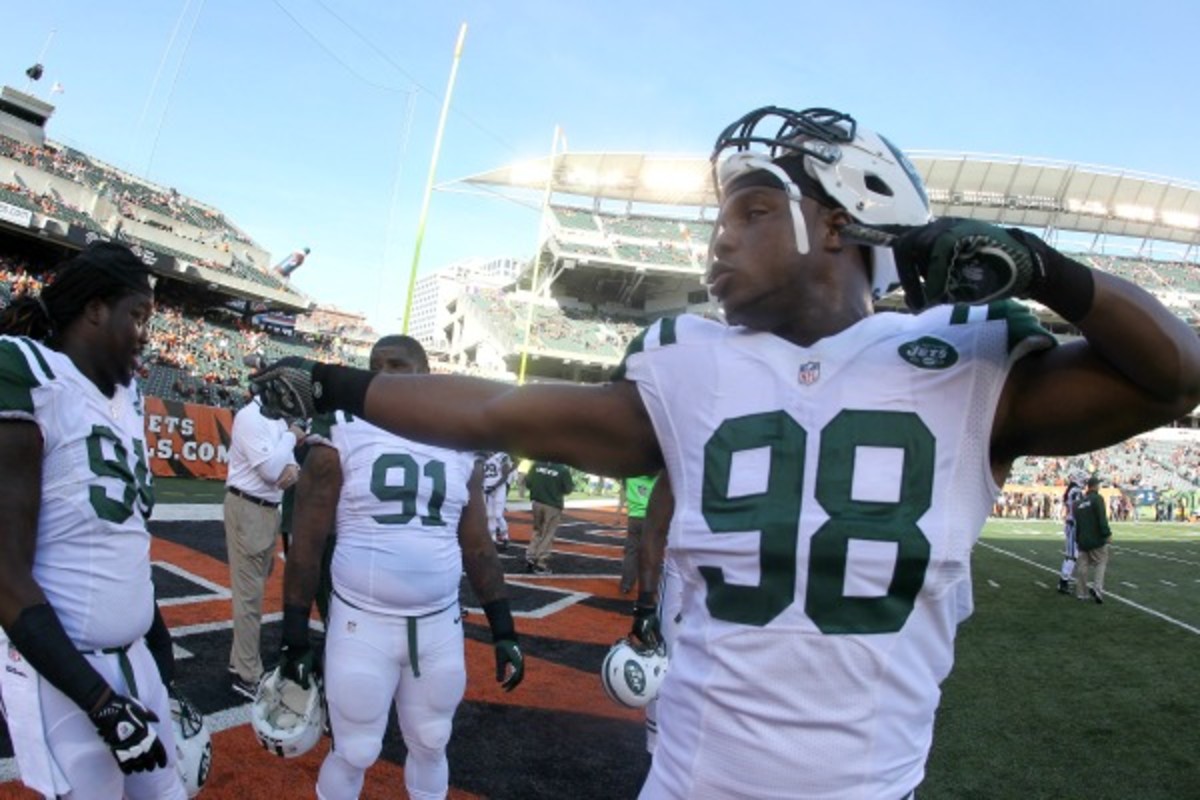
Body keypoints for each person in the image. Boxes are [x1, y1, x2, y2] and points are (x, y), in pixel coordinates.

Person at [250, 105, 1200, 798]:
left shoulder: (961, 361)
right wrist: (340, 387)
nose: (718, 238)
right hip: (693, 779)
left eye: (750, 211)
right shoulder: (689, 366)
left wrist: (1051, 269)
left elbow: (1173, 377)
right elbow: (503, 412)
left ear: (839, 221)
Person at [280, 335, 524, 800]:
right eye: (376, 366)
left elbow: (477, 547)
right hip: (361, 621)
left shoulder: (459, 444)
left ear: (425, 374)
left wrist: (504, 627)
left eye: (397, 365)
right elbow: (306, 543)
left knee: (433, 741)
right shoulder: (340, 429)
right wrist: (293, 634)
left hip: (438, 624)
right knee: (355, 749)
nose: (385, 374)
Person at [0, 242, 187, 798]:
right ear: (95, 308)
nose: (145, 333)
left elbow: (121, 545)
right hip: (66, 676)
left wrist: (159, 656)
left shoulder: (125, 400)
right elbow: (6, 575)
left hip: (135, 662)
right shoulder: (30, 374)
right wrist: (99, 703)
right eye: (139, 315)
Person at [224, 391, 306, 699]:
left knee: (253, 591)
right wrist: (291, 437)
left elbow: (289, 471)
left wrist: (287, 457)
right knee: (249, 596)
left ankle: (239, 663)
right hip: (250, 508)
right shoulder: (252, 417)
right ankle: (248, 674)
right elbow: (274, 471)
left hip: (265, 509)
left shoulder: (270, 419)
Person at [523, 460, 575, 574]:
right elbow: (568, 489)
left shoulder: (536, 465)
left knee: (537, 530)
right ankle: (541, 562)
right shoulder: (562, 469)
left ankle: (531, 555)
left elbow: (528, 482)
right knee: (548, 534)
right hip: (552, 504)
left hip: (537, 502)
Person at [1074, 476, 1114, 604]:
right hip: (1096, 540)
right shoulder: (1097, 499)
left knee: (1082, 566)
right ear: (1095, 486)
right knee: (1101, 562)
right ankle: (1097, 589)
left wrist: (1078, 539)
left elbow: (1078, 524)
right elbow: (1102, 519)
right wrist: (1107, 534)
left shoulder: (1079, 503)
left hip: (1082, 540)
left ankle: (1081, 592)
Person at [620, 473, 659, 594]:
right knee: (651, 553)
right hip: (652, 518)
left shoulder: (630, 477)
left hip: (634, 518)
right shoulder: (657, 477)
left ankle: (626, 585)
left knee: (631, 552)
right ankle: (649, 586)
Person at [1058, 470, 1088, 593]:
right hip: (1074, 524)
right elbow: (1077, 508)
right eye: (1084, 480)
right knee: (1072, 555)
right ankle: (1063, 582)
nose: (1085, 482)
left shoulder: (1072, 490)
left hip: (1072, 524)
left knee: (1072, 555)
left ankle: (1065, 579)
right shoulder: (1075, 491)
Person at [480, 449, 516, 549]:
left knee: (498, 515)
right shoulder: (482, 456)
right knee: (489, 515)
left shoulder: (502, 456)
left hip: (499, 488)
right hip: (487, 488)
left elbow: (505, 475)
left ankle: (505, 537)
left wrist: (494, 486)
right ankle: (492, 538)